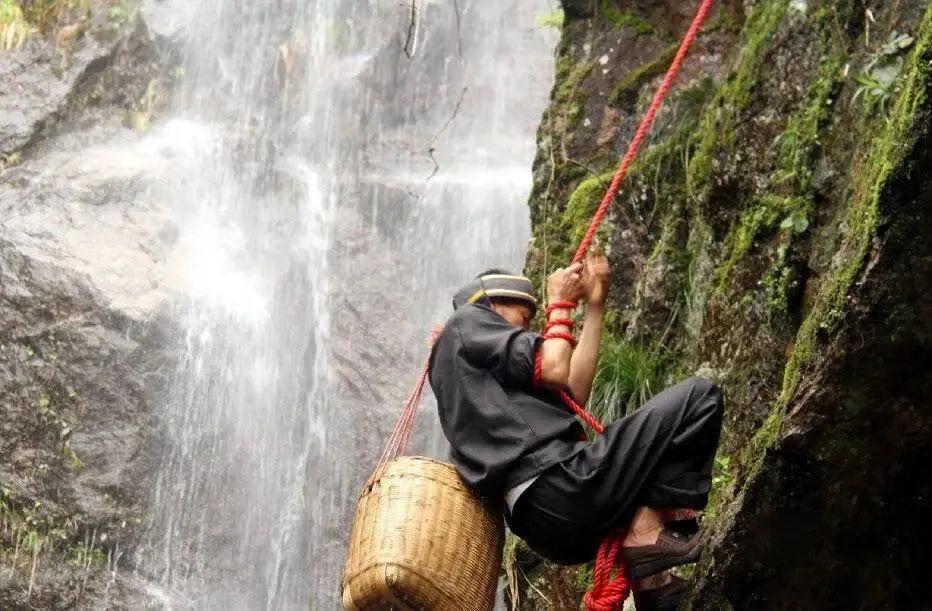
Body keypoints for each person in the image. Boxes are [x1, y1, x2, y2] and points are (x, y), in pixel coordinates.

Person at [427, 256, 724, 610]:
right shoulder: (468, 321)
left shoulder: (486, 377)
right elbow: (554, 365)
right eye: (524, 319)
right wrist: (558, 301)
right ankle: (644, 536)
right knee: (698, 398)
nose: (527, 330)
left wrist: (595, 308)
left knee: (653, 453)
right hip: (559, 483)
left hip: (547, 527)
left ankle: (651, 582)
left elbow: (573, 388)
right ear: (493, 304)